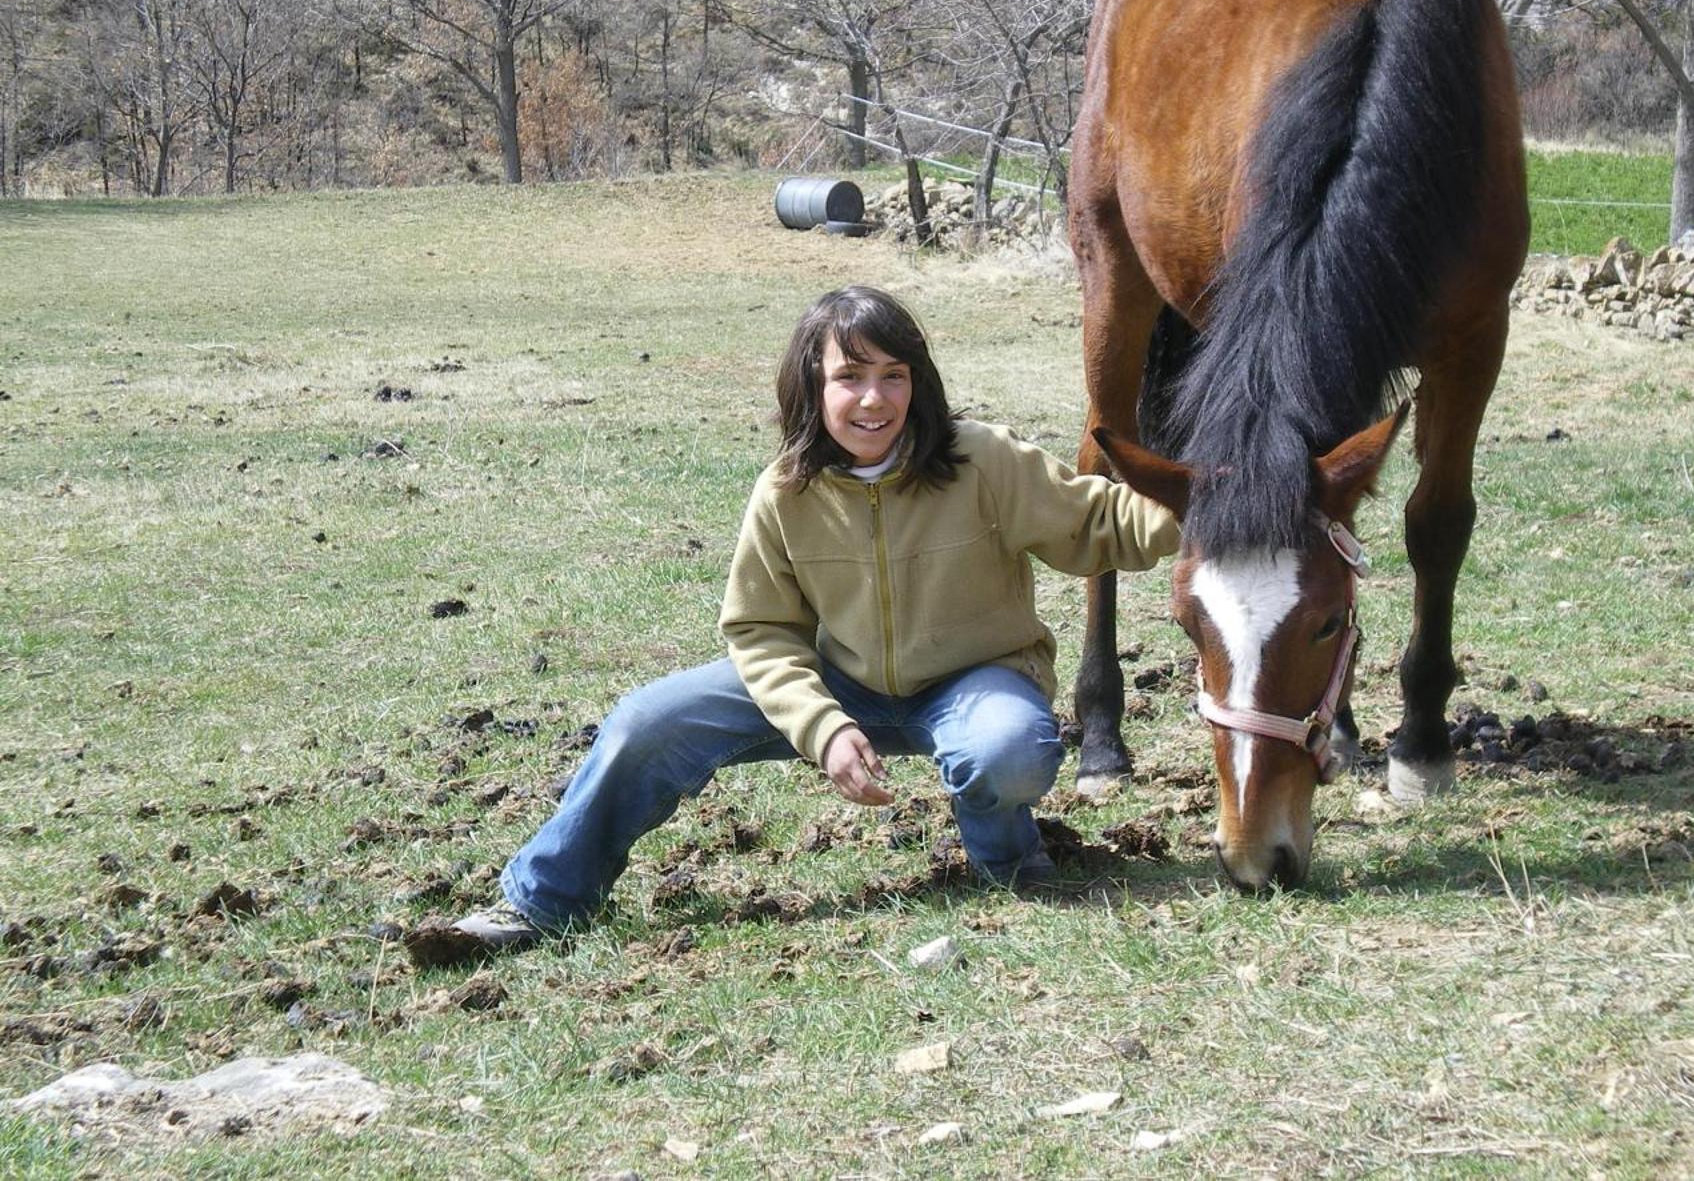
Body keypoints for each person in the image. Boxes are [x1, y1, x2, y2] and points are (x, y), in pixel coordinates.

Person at [453, 284, 1179, 950]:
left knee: (1008, 750)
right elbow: (759, 631)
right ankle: (544, 902)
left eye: (894, 375)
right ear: (812, 384)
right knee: (645, 724)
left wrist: (1213, 502)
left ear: (918, 384)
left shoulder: (981, 459)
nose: (874, 399)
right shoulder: (785, 492)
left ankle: (1012, 868)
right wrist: (822, 726)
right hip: (840, 684)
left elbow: (1100, 524)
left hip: (974, 679)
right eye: (850, 377)